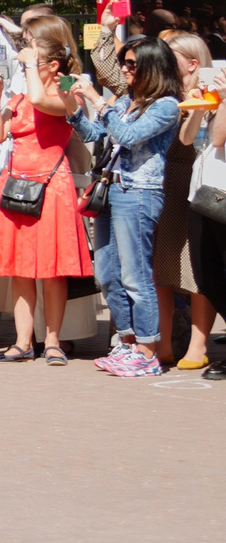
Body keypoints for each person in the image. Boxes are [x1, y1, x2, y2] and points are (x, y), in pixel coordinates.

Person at [0, 16, 94, 367]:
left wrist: (28, 68)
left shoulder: (65, 92)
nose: (26, 62)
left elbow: (43, 102)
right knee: (20, 269)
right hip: (15, 184)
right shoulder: (22, 95)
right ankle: (22, 341)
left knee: (52, 271)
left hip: (52, 187)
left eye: (34, 59)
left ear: (53, 64)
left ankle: (53, 341)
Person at [74, 36, 183, 378]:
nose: (124, 69)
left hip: (138, 193)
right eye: (124, 62)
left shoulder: (166, 105)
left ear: (152, 66)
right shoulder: (126, 100)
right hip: (109, 190)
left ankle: (148, 351)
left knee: (135, 276)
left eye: (131, 64)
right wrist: (73, 107)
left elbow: (130, 137)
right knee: (107, 273)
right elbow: (94, 133)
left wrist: (98, 100)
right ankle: (127, 341)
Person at [156, 35, 220, 370]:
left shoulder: (215, 93)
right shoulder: (166, 91)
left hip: (202, 185)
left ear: (193, 63)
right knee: (162, 267)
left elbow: (200, 139)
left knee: (196, 270)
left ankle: (198, 346)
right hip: (169, 182)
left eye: (171, 55)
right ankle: (163, 344)